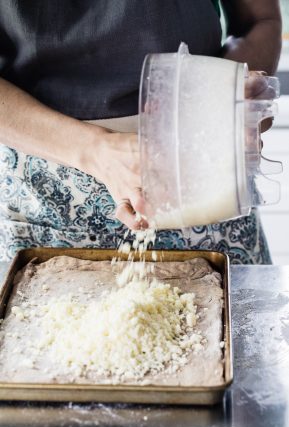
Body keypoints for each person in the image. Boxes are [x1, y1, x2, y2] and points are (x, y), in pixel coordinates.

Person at [0, 0, 282, 263]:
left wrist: (234, 96)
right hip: (42, 187)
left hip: (205, 165)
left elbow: (260, 18)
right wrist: (94, 150)